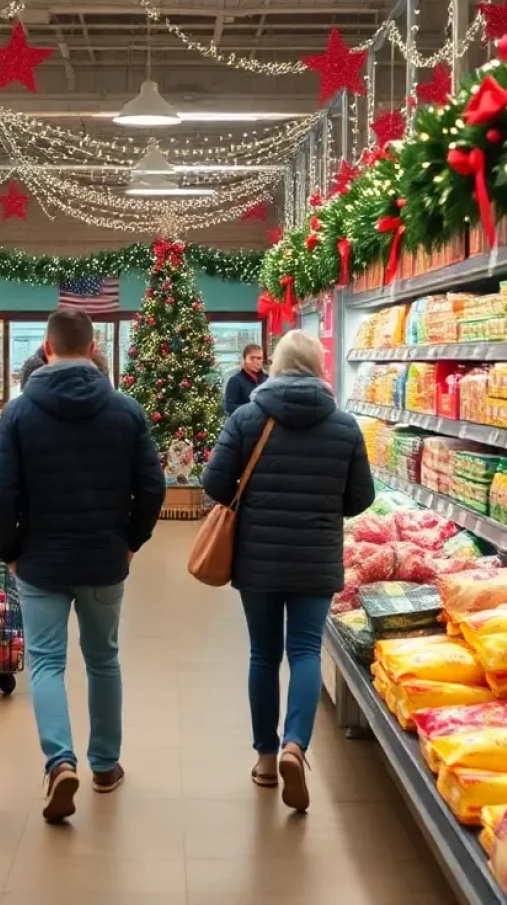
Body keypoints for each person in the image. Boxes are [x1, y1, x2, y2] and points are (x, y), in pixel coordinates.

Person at [0, 307, 166, 823]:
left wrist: (9, 550)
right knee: (103, 658)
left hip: (40, 560)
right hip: (104, 558)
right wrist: (131, 542)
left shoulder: (17, 414)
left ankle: (59, 761)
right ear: (92, 350)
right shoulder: (127, 411)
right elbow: (152, 486)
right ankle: (105, 767)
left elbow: (0, 494)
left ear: (47, 350)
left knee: (45, 662)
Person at [201, 330, 375, 813]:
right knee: (304, 651)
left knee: (263, 654)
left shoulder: (247, 417)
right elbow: (362, 498)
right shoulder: (343, 425)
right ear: (320, 367)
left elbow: (214, 483)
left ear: (274, 365)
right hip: (316, 558)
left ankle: (264, 756)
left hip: (257, 558)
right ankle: (296, 744)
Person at [223, 343, 268, 415]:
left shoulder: (267, 380)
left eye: (259, 358)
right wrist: (253, 410)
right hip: (244, 424)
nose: (256, 361)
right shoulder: (235, 381)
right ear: (244, 359)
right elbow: (230, 407)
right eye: (252, 358)